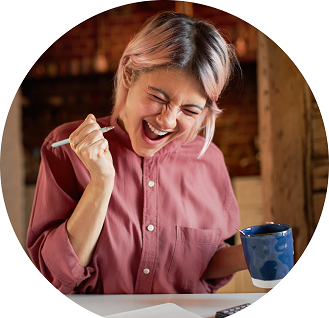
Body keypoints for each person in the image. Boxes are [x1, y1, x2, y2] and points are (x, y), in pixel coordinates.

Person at [27, 11, 248, 294]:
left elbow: (203, 264)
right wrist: (101, 183)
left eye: (189, 110)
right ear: (130, 74)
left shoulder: (210, 161)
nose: (167, 121)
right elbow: (55, 277)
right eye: (158, 97)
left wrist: (253, 253)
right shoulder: (66, 147)